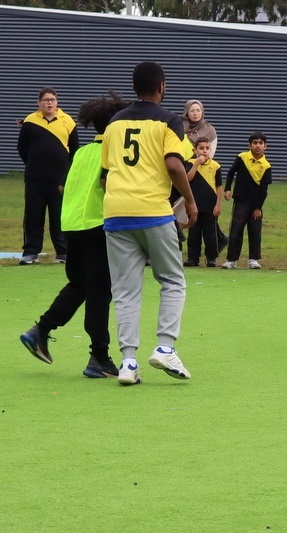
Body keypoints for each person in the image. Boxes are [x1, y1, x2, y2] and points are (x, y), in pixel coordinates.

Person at [19, 91, 130, 378]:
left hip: (73, 225)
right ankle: (99, 357)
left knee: (79, 285)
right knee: (99, 293)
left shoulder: (82, 152)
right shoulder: (113, 152)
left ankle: (40, 330)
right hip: (97, 227)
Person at [102, 61, 198, 386]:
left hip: (116, 212)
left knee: (126, 290)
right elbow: (174, 164)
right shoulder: (169, 120)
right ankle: (165, 346)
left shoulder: (114, 122)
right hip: (153, 210)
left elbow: (106, 175)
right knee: (172, 280)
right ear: (162, 87)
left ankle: (128, 363)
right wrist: (191, 200)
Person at [17, 87, 79, 264]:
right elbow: (22, 148)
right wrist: (33, 164)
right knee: (33, 215)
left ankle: (63, 252)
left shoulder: (67, 121)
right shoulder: (30, 121)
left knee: (59, 215)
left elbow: (74, 150)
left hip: (59, 178)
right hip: (35, 178)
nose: (49, 103)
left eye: (52, 99)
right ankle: (30, 252)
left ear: (57, 102)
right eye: (46, 100)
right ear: (39, 103)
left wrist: (67, 174)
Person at [182, 99, 228, 254]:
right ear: (186, 112)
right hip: (184, 168)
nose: (195, 113)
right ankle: (192, 255)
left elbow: (211, 153)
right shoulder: (180, 128)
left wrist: (202, 160)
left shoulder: (209, 130)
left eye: (198, 110)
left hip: (205, 171)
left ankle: (214, 250)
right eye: (192, 110)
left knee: (208, 219)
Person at [221, 131, 271, 269]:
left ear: (265, 146)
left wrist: (258, 208)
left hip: (255, 204)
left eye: (261, 143)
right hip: (241, 202)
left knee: (255, 231)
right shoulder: (242, 157)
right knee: (236, 230)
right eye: (255, 143)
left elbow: (264, 190)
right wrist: (227, 189)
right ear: (249, 145)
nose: (257, 146)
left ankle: (253, 259)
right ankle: (232, 260)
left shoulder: (266, 165)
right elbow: (231, 172)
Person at [183, 137, 223, 267]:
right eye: (201, 148)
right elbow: (187, 179)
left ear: (210, 149)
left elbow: (219, 187)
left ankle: (211, 258)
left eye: (207, 148)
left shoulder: (215, 166)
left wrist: (218, 204)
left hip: (210, 204)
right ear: (195, 150)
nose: (204, 151)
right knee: (194, 233)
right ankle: (193, 258)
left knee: (210, 233)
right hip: (194, 204)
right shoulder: (190, 163)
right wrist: (196, 164)